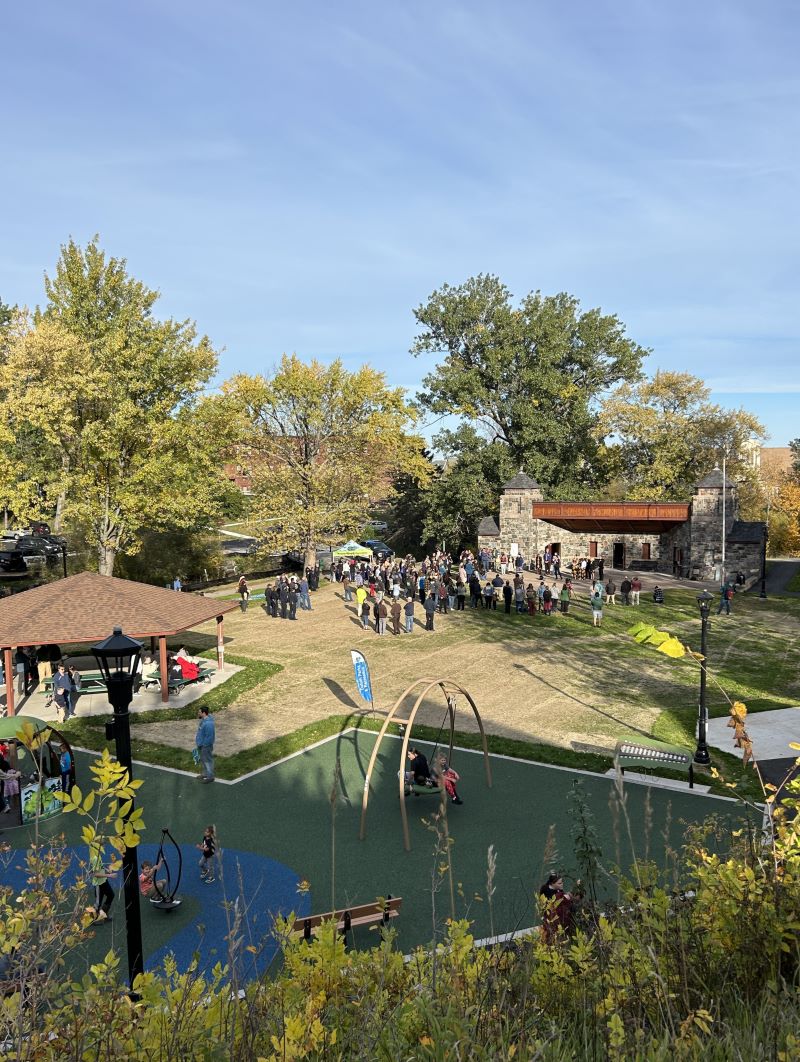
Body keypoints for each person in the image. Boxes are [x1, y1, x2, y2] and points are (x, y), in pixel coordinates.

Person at [539, 873, 573, 944]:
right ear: (552, 884)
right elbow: (554, 903)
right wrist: (565, 898)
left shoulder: (557, 890)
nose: (562, 884)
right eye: (559, 883)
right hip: (552, 917)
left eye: (562, 882)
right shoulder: (547, 892)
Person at [91, 847, 115, 923]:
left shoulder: (98, 855)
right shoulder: (95, 858)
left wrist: (106, 870)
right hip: (99, 884)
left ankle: (103, 914)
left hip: (104, 881)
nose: (103, 847)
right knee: (98, 903)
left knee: (111, 895)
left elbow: (99, 867)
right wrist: (109, 875)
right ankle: (93, 919)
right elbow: (95, 874)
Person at [195, 706, 215, 783]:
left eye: (199, 712)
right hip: (201, 745)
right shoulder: (203, 721)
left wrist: (204, 745)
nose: (198, 713)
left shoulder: (209, 723)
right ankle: (205, 774)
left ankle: (210, 777)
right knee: (203, 760)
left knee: (208, 761)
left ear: (204, 713)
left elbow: (210, 736)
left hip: (206, 746)